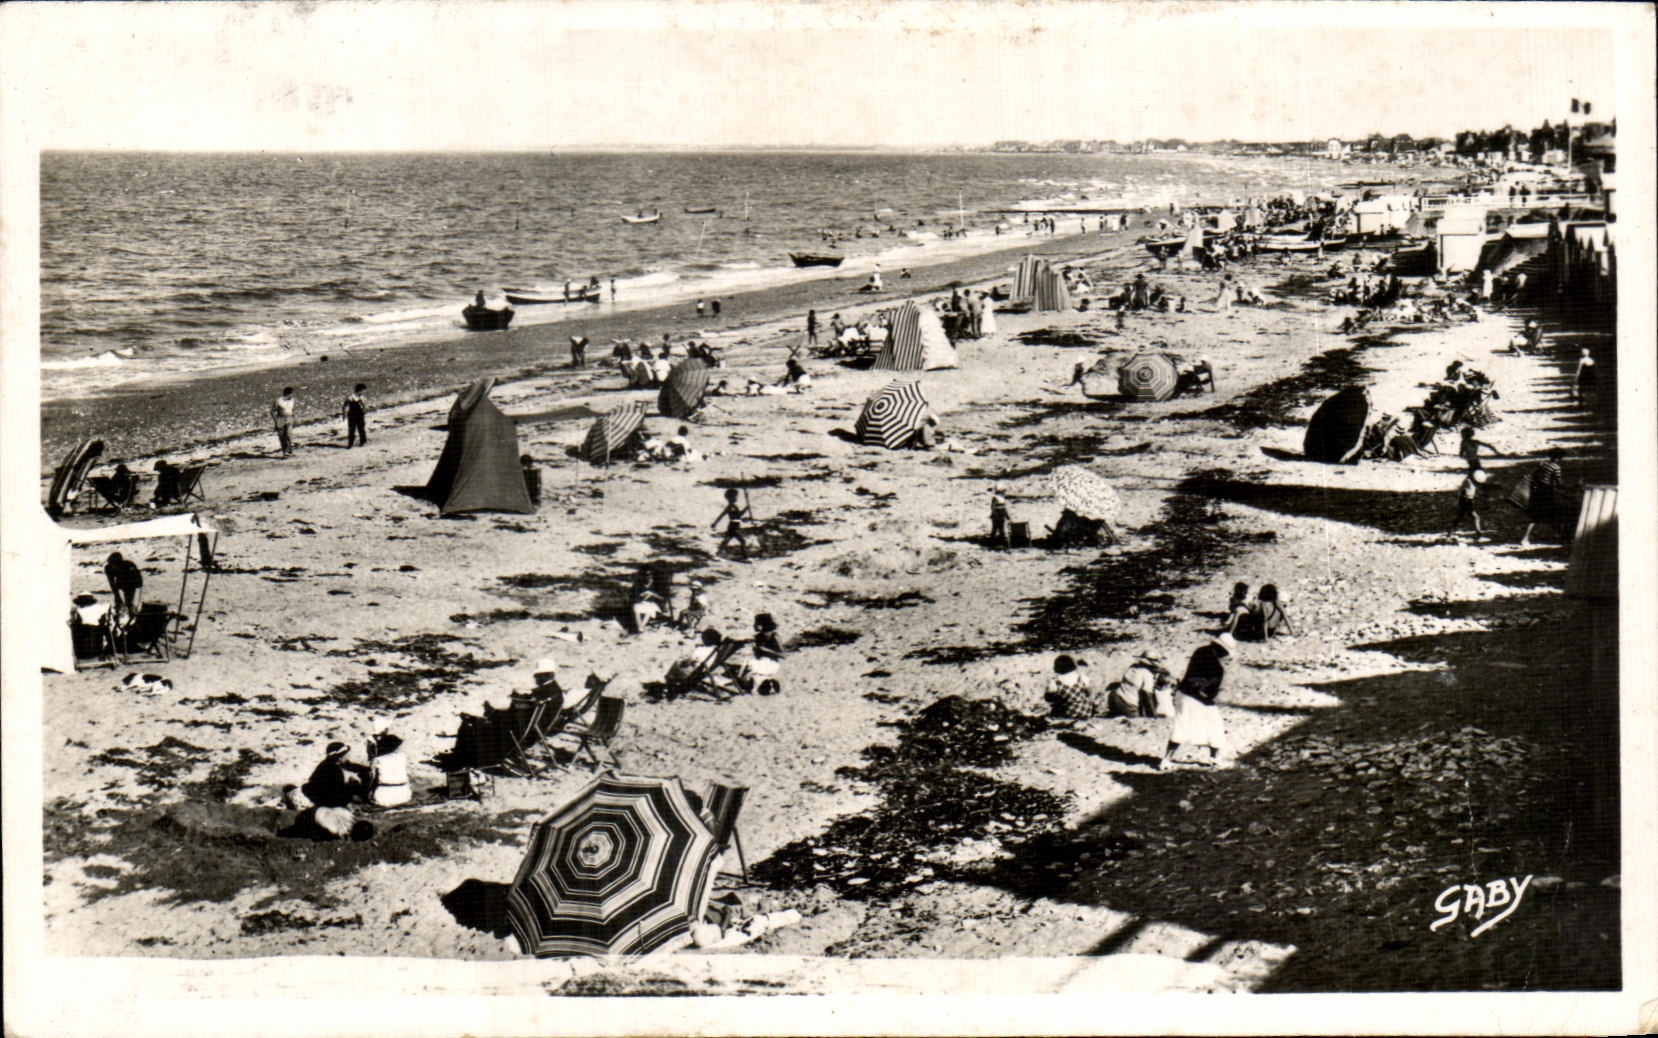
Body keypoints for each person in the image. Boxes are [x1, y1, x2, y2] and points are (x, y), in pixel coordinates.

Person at [1159, 633, 1235, 770]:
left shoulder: (1200, 651)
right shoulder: (1217, 667)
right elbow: (1210, 692)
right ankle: (1215, 758)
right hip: (1196, 697)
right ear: (1222, 650)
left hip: (1184, 693)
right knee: (1214, 725)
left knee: (1181, 725)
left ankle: (1166, 760)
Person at [297, 741, 368, 809]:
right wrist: (351, 785)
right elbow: (337, 794)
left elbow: (349, 765)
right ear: (339, 756)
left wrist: (366, 769)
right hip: (327, 800)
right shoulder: (333, 769)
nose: (347, 758)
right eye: (345, 755)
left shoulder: (329, 763)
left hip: (323, 793)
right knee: (353, 784)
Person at [1520, 448, 1565, 546]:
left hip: (1537, 491)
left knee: (1537, 516)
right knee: (1555, 513)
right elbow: (1559, 483)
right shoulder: (1556, 467)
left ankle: (1561, 536)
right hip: (1547, 492)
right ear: (1559, 458)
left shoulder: (1543, 464)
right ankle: (1562, 537)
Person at [1109, 649, 1168, 718]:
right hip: (1128, 704)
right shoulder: (1147, 674)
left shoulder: (1133, 666)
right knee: (1136, 721)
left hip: (1114, 697)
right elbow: (1148, 696)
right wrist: (1153, 716)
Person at [735, 613, 784, 694]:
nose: (755, 626)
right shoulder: (758, 637)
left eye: (757, 624)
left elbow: (783, 655)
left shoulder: (774, 636)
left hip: (772, 664)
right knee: (746, 664)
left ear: (763, 625)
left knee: (746, 664)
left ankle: (740, 681)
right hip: (762, 662)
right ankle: (742, 680)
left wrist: (767, 650)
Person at [1043, 655, 1101, 720]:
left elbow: (1048, 697)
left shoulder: (1055, 682)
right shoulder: (1081, 677)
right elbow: (1089, 693)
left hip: (1069, 712)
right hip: (1085, 710)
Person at [368, 733, 411, 808]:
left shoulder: (377, 760)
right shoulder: (402, 757)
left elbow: (373, 779)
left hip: (383, 797)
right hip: (404, 795)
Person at [103, 551, 144, 626]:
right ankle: (123, 623)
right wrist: (122, 602)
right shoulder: (110, 569)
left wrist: (133, 605)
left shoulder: (129, 568)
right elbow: (115, 586)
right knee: (122, 605)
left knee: (133, 607)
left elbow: (138, 586)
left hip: (133, 583)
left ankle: (131, 622)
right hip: (123, 585)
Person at [1449, 466, 1490, 539]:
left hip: (1463, 501)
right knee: (1476, 518)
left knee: (1459, 517)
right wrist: (1473, 497)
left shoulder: (1468, 481)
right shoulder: (1470, 484)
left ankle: (1451, 532)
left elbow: (1463, 491)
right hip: (1467, 502)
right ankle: (1478, 533)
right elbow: (1469, 495)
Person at [711, 487, 753, 558]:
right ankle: (745, 558)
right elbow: (735, 515)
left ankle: (717, 554)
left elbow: (738, 515)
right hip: (733, 526)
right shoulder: (731, 506)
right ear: (731, 497)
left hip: (734, 526)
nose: (737, 497)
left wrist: (746, 508)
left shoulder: (733, 506)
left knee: (727, 541)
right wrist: (715, 523)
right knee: (742, 541)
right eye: (736, 496)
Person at [271, 386, 297, 457]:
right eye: (291, 394)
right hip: (281, 419)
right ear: (287, 394)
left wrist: (294, 419)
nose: (292, 395)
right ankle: (285, 452)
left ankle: (289, 449)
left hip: (290, 419)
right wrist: (276, 421)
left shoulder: (292, 400)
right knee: (282, 437)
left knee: (288, 435)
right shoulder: (278, 401)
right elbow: (273, 411)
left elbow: (293, 410)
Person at [341, 383, 368, 447]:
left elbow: (364, 407)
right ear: (360, 390)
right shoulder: (350, 397)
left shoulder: (362, 398)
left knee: (361, 428)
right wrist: (344, 414)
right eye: (363, 391)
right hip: (352, 414)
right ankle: (350, 443)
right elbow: (345, 406)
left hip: (359, 414)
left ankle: (362, 441)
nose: (364, 393)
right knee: (351, 429)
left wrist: (363, 407)